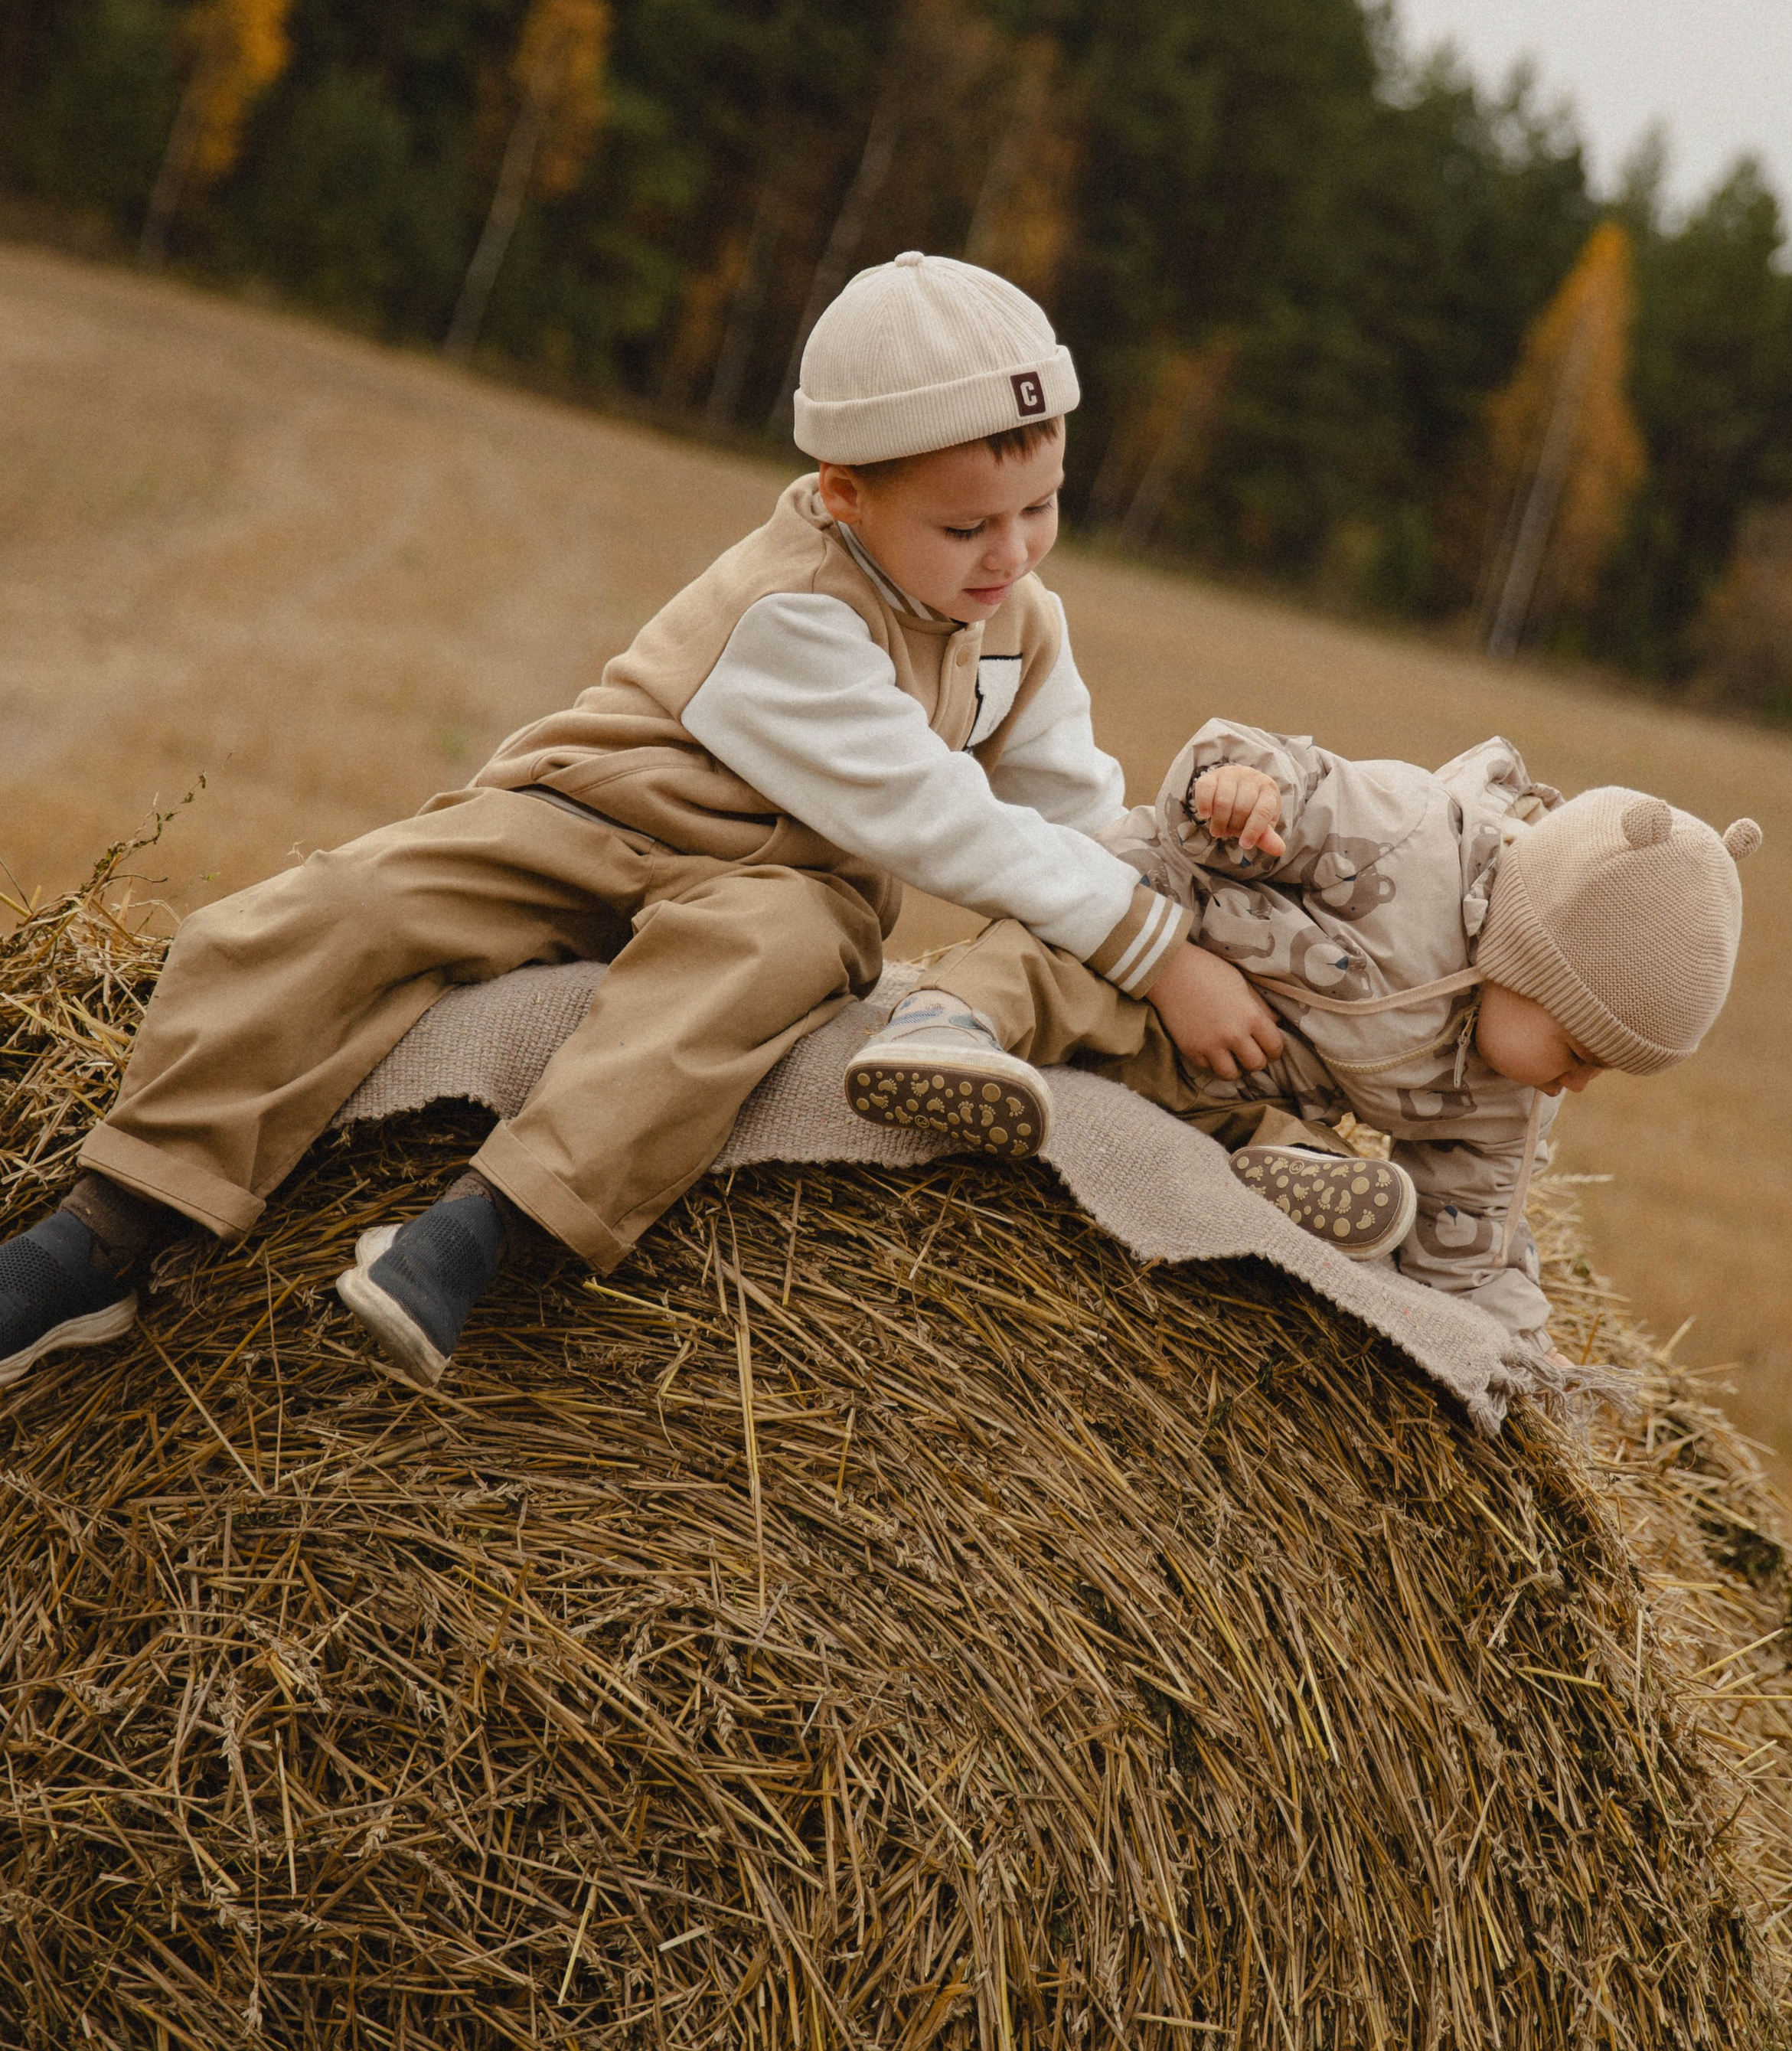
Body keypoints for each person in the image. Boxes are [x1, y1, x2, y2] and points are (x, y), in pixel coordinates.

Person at [0, 253, 1229, 1390]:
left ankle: (482, 1230)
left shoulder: (1023, 622)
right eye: (967, 527)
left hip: (790, 888)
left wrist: (1184, 923)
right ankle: (110, 1230)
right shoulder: (792, 610)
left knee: (758, 965)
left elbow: (1066, 812)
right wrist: (1152, 954)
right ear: (843, 492)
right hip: (594, 816)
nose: (1010, 556)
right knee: (341, 910)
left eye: (1042, 510)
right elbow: (939, 818)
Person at [846, 716, 1760, 1345]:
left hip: (1244, 1071)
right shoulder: (1402, 838)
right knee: (1042, 970)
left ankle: (1300, 1174)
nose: (1574, 1087)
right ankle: (946, 1028)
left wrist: (1517, 1349)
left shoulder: (1502, 1100)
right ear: (1530, 956)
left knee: (1272, 1127)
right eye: (1580, 1052)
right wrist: (1237, 792)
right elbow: (1266, 770)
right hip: (1150, 948)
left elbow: (1471, 1233)